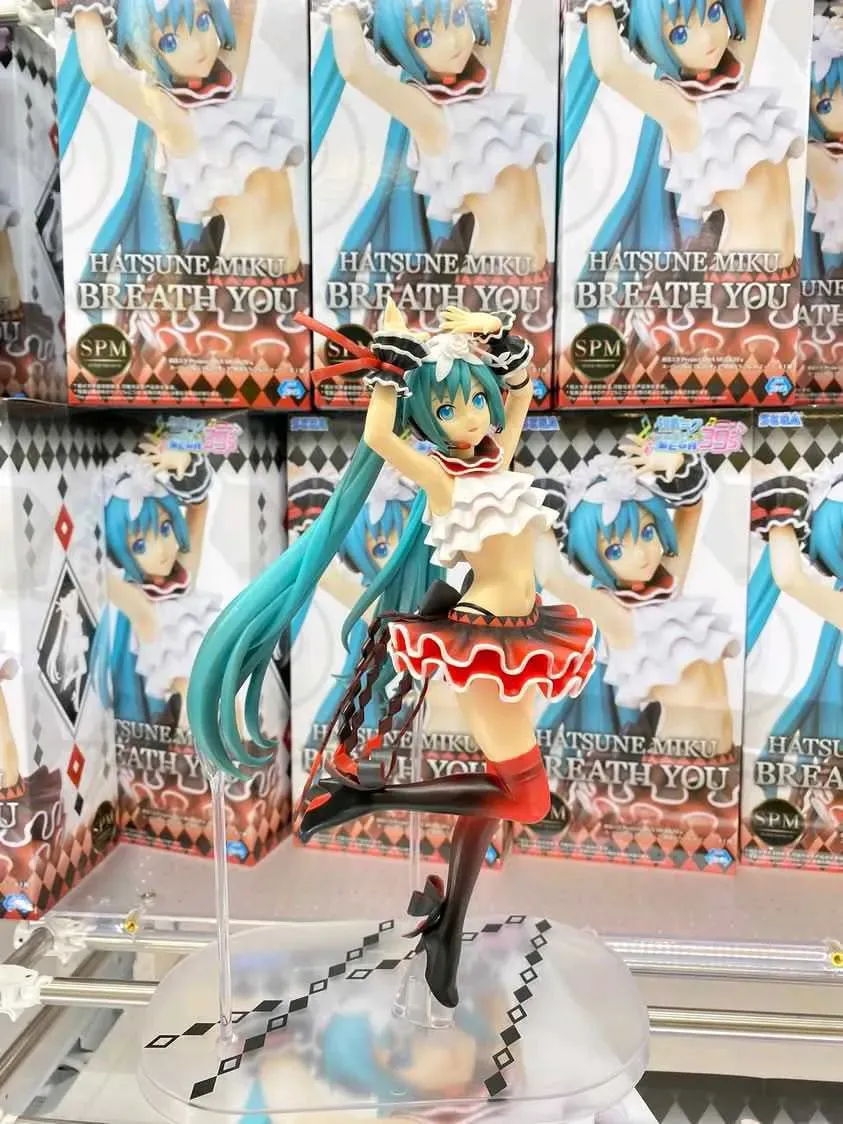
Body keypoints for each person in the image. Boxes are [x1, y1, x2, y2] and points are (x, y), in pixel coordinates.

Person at [188, 301, 596, 1008]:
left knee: (499, 796)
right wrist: (390, 371)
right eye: (450, 408)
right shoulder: (443, 478)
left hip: (521, 630)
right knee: (526, 797)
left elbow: (524, 386)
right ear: (429, 421)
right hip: (486, 642)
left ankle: (447, 925)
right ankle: (363, 796)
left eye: (477, 400)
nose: (472, 417)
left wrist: (492, 335)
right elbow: (380, 434)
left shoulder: (496, 456)